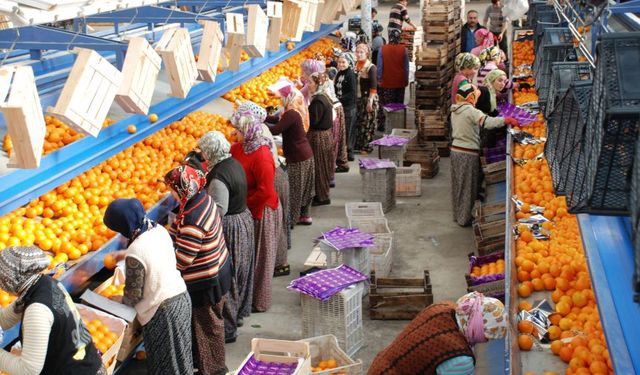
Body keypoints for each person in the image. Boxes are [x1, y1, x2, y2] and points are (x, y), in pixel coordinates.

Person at [103, 199, 193, 374]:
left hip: (163, 313)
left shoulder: (135, 251)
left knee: (166, 366)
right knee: (181, 359)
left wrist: (119, 300)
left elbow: (133, 296)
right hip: (181, 299)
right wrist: (125, 254)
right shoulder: (157, 230)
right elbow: (152, 254)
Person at [164, 164, 232, 375]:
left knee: (208, 327)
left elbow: (183, 260)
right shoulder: (200, 199)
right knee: (210, 324)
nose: (171, 194)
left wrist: (159, 262)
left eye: (172, 189)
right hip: (218, 269)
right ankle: (211, 365)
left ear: (183, 189)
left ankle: (214, 369)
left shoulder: (194, 218)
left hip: (206, 281)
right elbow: (178, 227)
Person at [0, 246, 106, 375]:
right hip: (87, 363)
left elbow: (28, 370)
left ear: (10, 280)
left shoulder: (37, 310)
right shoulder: (44, 283)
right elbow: (4, 319)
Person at [196, 131, 255, 343]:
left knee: (227, 276)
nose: (201, 155)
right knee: (240, 271)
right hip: (243, 220)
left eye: (203, 151)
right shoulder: (233, 163)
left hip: (231, 226)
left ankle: (228, 328)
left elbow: (218, 209)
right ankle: (237, 314)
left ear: (211, 151)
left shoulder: (219, 177)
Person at [368, 291, 507, 375]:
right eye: (487, 336)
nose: (486, 341)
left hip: (380, 367)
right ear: (477, 330)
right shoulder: (459, 360)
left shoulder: (442, 308)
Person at [230, 101, 282, 313]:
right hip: (248, 209)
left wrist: (244, 206)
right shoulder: (238, 147)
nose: (234, 133)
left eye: (237, 129)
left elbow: (266, 192)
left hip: (262, 211)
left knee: (261, 258)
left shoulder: (261, 154)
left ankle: (258, 301)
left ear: (247, 130)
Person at [450, 83, 518, 226]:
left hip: (455, 151)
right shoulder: (470, 110)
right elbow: (488, 122)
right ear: (471, 97)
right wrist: (506, 120)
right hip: (468, 153)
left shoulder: (455, 110)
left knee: (458, 184)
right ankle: (464, 219)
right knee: (468, 186)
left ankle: (458, 214)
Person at [267, 85, 315, 225]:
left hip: (298, 157)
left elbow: (276, 129)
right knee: (305, 188)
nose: (279, 100)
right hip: (305, 154)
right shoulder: (292, 111)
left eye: (281, 98)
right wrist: (263, 117)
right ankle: (304, 215)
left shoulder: (291, 114)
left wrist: (259, 126)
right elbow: (278, 121)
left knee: (295, 189)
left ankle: (292, 220)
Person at [307, 72, 335, 207]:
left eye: (310, 83)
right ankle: (322, 194)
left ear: (317, 84)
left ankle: (322, 197)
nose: (308, 85)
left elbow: (313, 121)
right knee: (323, 166)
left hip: (319, 137)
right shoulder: (323, 96)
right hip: (325, 136)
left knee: (319, 167)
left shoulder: (318, 100)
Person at [377, 28, 409, 132]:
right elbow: (406, 67)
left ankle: (383, 125)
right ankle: (397, 125)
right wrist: (406, 79)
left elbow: (380, 67)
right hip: (400, 82)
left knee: (385, 104)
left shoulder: (382, 49)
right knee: (397, 104)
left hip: (386, 82)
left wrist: (379, 79)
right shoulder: (404, 49)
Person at [354, 43, 379, 153]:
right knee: (360, 123)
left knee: (368, 123)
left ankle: (367, 147)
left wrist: (370, 101)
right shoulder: (356, 65)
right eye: (357, 52)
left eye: (361, 52)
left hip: (368, 99)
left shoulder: (371, 67)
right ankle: (359, 145)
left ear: (367, 54)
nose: (359, 54)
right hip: (358, 98)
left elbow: (374, 86)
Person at [334, 52, 358, 161]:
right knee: (343, 130)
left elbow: (352, 93)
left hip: (349, 107)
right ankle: (344, 151)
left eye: (343, 62)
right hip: (341, 105)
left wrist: (339, 99)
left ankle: (350, 151)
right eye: (339, 62)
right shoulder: (339, 74)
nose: (341, 64)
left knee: (348, 129)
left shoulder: (350, 75)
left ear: (349, 62)